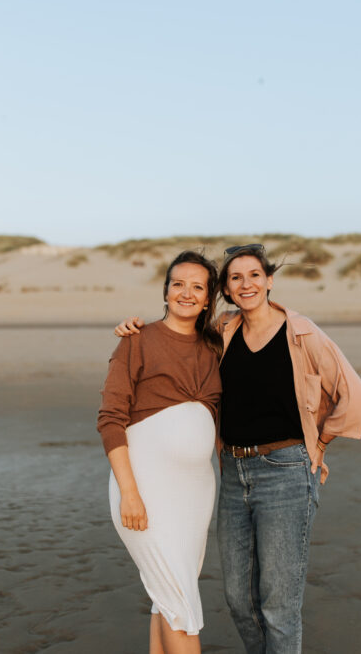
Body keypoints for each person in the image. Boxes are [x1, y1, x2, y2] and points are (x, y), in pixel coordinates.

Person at [115, 243, 361, 654]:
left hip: (286, 471)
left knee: (279, 605)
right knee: (238, 599)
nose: (246, 284)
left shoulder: (301, 332)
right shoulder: (222, 333)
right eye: (235, 278)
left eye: (254, 275)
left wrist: (319, 445)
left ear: (269, 281)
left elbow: (354, 395)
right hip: (233, 473)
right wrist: (135, 328)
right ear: (227, 291)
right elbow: (177, 337)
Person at [97, 250, 224, 654]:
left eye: (197, 286)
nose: (186, 292)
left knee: (168, 594)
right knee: (179, 603)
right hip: (144, 491)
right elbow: (110, 420)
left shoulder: (216, 348)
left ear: (208, 299)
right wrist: (129, 493)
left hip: (195, 495)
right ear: (165, 291)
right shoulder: (137, 341)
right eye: (178, 284)